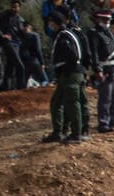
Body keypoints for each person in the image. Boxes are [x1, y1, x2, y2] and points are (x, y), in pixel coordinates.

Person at [41, 10, 83, 143]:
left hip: (70, 73)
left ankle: (76, 134)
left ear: (55, 22)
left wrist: (65, 71)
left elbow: (73, 56)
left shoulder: (64, 36)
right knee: (56, 103)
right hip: (67, 73)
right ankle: (57, 132)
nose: (49, 25)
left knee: (72, 103)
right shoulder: (62, 35)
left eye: (50, 23)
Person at [86, 7, 114, 131]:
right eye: (104, 19)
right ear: (97, 19)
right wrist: (98, 70)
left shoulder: (110, 32)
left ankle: (112, 121)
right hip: (104, 68)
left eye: (108, 19)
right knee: (105, 98)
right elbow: (94, 53)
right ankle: (103, 123)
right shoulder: (93, 33)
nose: (106, 21)